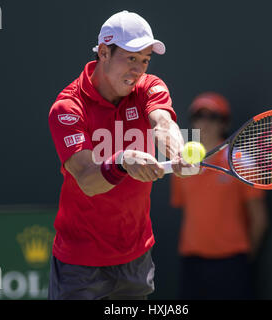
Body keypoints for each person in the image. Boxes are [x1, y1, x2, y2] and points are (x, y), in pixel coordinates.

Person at [48, 10, 193, 300]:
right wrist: (124, 161)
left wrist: (176, 149)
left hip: (136, 257)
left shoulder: (149, 87)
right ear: (103, 52)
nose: (138, 69)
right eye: (130, 58)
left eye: (144, 60)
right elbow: (88, 180)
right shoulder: (67, 108)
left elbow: (163, 122)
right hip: (80, 263)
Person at [170, 92, 269, 300]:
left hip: (232, 263)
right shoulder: (182, 165)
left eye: (212, 117)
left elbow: (259, 218)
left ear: (224, 124)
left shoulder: (241, 162)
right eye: (199, 116)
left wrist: (242, 258)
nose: (204, 123)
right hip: (192, 262)